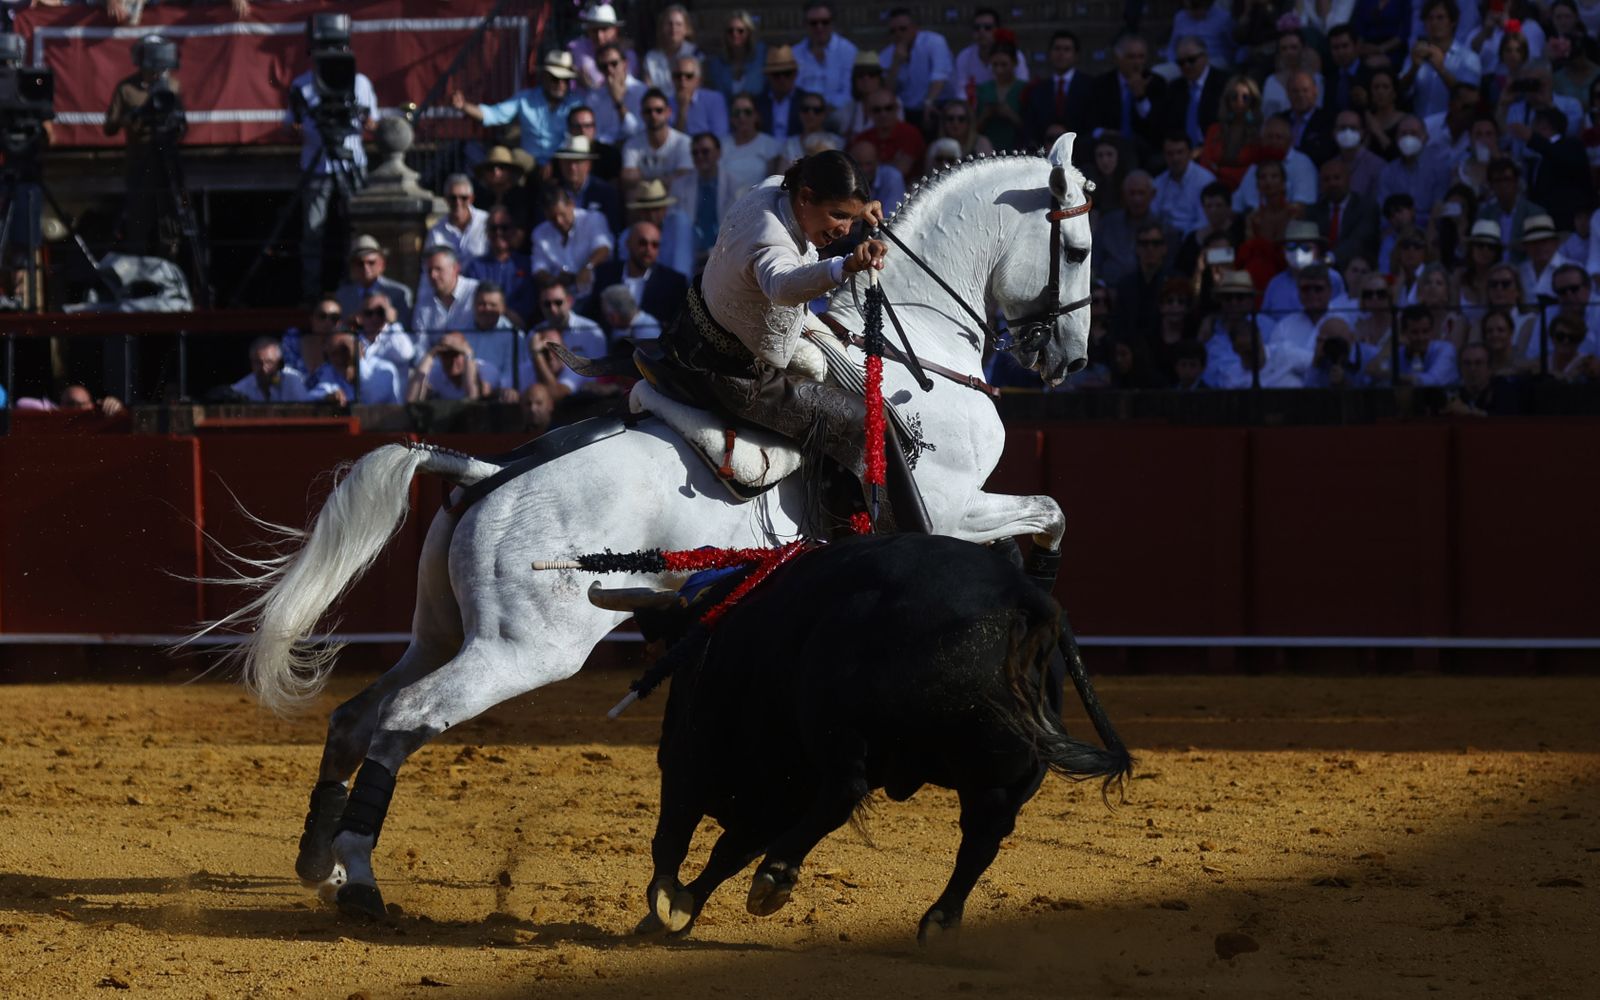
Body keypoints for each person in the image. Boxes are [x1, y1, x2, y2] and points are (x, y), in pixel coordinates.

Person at [662, 151, 895, 501]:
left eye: (849, 218)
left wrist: (857, 209)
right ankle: (852, 537)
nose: (845, 230)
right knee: (865, 421)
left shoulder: (774, 188)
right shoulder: (771, 239)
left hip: (697, 329)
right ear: (805, 198)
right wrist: (843, 267)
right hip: (736, 374)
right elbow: (782, 285)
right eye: (837, 215)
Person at [286, 14, 379, 301]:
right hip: (318, 163)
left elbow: (374, 123)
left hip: (352, 162)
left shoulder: (360, 82)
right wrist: (299, 129)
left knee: (356, 228)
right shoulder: (302, 85)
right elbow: (290, 125)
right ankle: (312, 294)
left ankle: (357, 288)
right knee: (313, 232)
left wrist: (362, 120)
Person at [104, 34, 185, 257]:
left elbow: (182, 124)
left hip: (167, 162)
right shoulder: (126, 89)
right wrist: (130, 119)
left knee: (170, 222)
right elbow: (109, 127)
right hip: (139, 164)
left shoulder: (173, 87)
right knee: (138, 222)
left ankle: (170, 270)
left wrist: (175, 124)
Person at [454, 50, 584, 168]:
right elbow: (494, 114)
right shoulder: (525, 99)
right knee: (517, 158)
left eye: (566, 80)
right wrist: (464, 106)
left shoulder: (577, 103)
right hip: (530, 165)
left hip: (563, 164)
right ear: (545, 77)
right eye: (555, 79)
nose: (561, 84)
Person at [585, 220, 688, 339]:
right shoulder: (605, 274)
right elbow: (591, 315)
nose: (648, 249)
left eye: (655, 245)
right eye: (642, 243)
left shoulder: (673, 283)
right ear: (628, 243)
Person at [622, 88, 697, 221]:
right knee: (630, 193)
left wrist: (646, 180)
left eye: (658, 110)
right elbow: (628, 178)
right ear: (641, 114)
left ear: (668, 112)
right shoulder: (632, 144)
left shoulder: (683, 142)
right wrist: (667, 179)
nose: (653, 115)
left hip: (675, 203)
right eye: (648, 111)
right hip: (646, 203)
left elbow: (685, 176)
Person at [1401, 0, 1482, 120]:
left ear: (1452, 22)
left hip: (1451, 128)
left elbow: (1469, 99)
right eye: (1430, 18)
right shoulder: (1416, 54)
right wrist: (1413, 68)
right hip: (1420, 127)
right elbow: (1399, 93)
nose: (1434, 23)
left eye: (1440, 18)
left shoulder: (1468, 58)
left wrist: (1441, 69)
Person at [880, 8, 954, 130]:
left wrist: (929, 102)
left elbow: (939, 76)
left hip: (938, 103)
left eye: (903, 29)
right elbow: (887, 91)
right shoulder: (887, 55)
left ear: (915, 28)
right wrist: (895, 64)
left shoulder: (934, 42)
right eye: (893, 31)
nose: (898, 34)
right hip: (907, 110)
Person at [529, 187, 613, 293]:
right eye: (553, 218)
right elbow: (538, 269)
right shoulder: (540, 233)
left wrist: (588, 267)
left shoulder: (593, 219)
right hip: (562, 297)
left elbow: (604, 249)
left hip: (595, 292)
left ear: (571, 204)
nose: (559, 221)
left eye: (562, 215)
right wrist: (555, 280)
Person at [1021, 30, 1092, 148]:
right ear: (1050, 53)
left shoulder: (1090, 86)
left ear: (1076, 55)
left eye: (1066, 49)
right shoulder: (1038, 89)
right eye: (1057, 49)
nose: (1061, 53)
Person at [552, 134, 624, 240]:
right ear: (561, 164)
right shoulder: (552, 193)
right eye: (567, 162)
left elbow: (613, 230)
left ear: (588, 164)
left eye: (577, 162)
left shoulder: (606, 193)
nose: (572, 167)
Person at [307, 331, 406, 405]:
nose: (340, 357)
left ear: (361, 347)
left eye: (344, 350)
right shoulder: (328, 370)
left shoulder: (383, 368)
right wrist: (327, 397)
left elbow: (373, 397)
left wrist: (357, 360)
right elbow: (311, 396)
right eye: (334, 353)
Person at [794, 2, 858, 111]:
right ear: (805, 24)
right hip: (805, 112)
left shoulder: (848, 50)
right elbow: (795, 89)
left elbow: (848, 91)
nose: (819, 27)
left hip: (837, 111)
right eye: (813, 23)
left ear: (832, 23)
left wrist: (824, 109)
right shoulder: (795, 53)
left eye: (825, 22)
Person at [1164, 35, 1225, 148]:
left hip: (1216, 147)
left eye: (1191, 60)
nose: (1186, 65)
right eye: (1181, 62)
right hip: (1182, 153)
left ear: (1205, 57)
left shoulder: (1224, 84)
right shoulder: (1174, 88)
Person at [721, 94, 785, 202]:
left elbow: (774, 184)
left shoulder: (771, 145)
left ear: (756, 115)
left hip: (758, 205)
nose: (742, 117)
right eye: (736, 113)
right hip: (726, 207)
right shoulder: (721, 145)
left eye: (747, 112)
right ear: (731, 118)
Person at [953, 9, 1028, 100]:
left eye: (987, 27)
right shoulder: (964, 56)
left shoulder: (1015, 55)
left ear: (997, 29)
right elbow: (961, 92)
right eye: (977, 28)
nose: (981, 31)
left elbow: (1023, 87)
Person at [585, 41, 647, 149]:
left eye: (614, 64)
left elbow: (637, 132)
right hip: (605, 152)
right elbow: (595, 134)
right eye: (604, 66)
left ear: (625, 64)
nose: (609, 70)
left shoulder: (641, 92)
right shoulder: (594, 97)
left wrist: (618, 102)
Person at [1151, 132, 1218, 234]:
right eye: (1170, 153)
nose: (1175, 158)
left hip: (1194, 238)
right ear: (1164, 156)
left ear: (1190, 153)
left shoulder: (1205, 181)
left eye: (1180, 152)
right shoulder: (1158, 182)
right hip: (1163, 240)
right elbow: (1153, 215)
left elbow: (1205, 221)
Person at [335, 235, 414, 320]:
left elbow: (406, 327)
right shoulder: (343, 295)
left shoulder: (399, 293)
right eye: (360, 263)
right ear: (352, 267)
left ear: (382, 264)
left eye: (371, 262)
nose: (365, 268)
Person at [413, 246, 480, 344]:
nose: (433, 275)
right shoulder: (423, 302)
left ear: (455, 268)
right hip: (435, 357)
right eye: (429, 270)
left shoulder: (476, 293)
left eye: (438, 269)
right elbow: (420, 344)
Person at [854, 93, 926, 183]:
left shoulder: (910, 133)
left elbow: (901, 171)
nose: (883, 114)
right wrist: (893, 163)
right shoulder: (862, 138)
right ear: (869, 112)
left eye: (888, 108)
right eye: (877, 110)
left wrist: (875, 166)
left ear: (897, 108)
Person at [408, 331, 497, 402]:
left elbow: (474, 397)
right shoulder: (437, 373)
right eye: (446, 355)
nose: (452, 361)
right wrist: (431, 354)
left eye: (456, 354)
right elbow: (412, 400)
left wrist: (468, 353)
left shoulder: (486, 369)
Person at [974, 40, 1026, 151]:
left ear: (1015, 63)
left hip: (1017, 149)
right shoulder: (983, 89)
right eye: (995, 65)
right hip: (988, 149)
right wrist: (985, 115)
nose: (999, 70)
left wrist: (1010, 115)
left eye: (1004, 65)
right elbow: (972, 128)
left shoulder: (1025, 89)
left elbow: (1031, 127)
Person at [425, 174, 490, 262]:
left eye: (463, 198)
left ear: (471, 199)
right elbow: (428, 263)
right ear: (446, 200)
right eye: (453, 198)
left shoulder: (486, 223)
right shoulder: (437, 230)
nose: (458, 202)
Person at [705, 10, 767, 103]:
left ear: (749, 33)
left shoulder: (761, 56)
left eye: (740, 31)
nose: (735, 34)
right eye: (730, 31)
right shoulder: (717, 64)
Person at [229, 336, 314, 403]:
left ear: (279, 363)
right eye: (258, 362)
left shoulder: (293, 382)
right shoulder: (241, 389)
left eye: (269, 362)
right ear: (251, 363)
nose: (263, 368)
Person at [570, 3, 631, 92]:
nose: (599, 36)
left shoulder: (628, 54)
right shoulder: (578, 50)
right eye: (594, 30)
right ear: (588, 31)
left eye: (604, 29)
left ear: (615, 30)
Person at [465, 281, 519, 378]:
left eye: (492, 305)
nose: (487, 309)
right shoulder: (462, 329)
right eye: (482, 304)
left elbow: (512, 373)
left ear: (503, 308)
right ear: (473, 305)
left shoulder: (513, 335)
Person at [757, 45, 810, 142]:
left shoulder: (807, 101)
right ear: (768, 76)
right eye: (776, 75)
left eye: (787, 73)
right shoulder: (758, 102)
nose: (782, 79)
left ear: (795, 74)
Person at [669, 55, 729, 139]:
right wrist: (682, 110)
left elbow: (720, 135)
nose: (682, 80)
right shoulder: (665, 104)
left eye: (689, 76)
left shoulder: (714, 99)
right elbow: (671, 142)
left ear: (698, 80)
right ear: (672, 79)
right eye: (677, 76)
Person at [355, 292, 419, 370]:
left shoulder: (396, 336)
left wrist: (393, 323)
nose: (374, 318)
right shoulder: (354, 341)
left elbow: (406, 354)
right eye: (369, 313)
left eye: (380, 312)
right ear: (360, 316)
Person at [643, 5, 701, 91]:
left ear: (686, 29)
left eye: (678, 24)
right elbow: (648, 87)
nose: (673, 28)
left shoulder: (695, 54)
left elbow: (698, 86)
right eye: (669, 24)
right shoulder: (651, 57)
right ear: (662, 27)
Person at [849, 141, 906, 218]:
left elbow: (890, 216)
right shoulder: (848, 178)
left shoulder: (893, 178)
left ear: (877, 161)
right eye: (859, 164)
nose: (864, 169)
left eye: (868, 164)